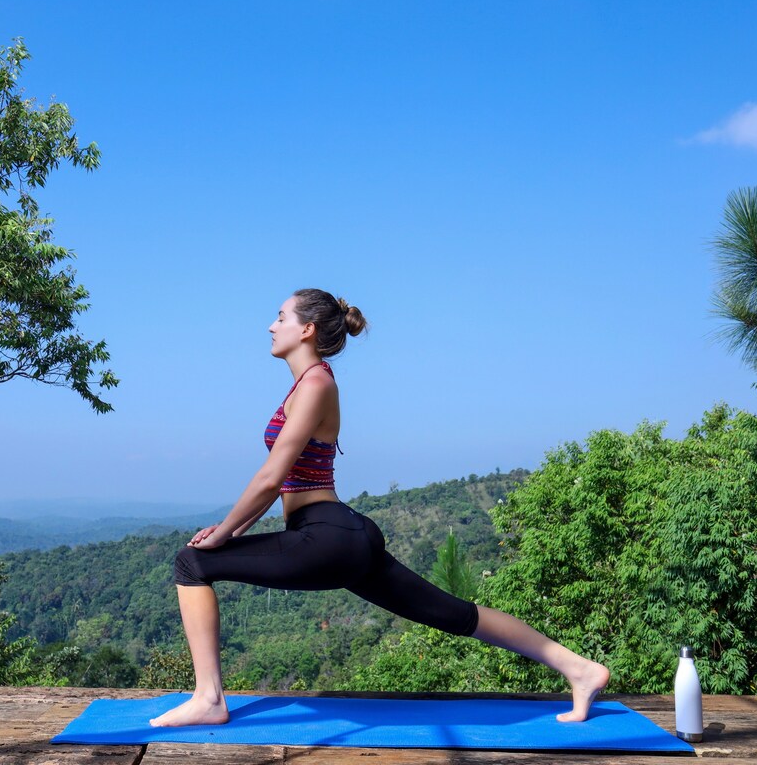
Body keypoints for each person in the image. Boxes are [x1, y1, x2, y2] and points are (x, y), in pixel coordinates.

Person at [149, 288, 610, 728]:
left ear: (307, 328)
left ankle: (209, 698)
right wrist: (233, 527)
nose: (271, 326)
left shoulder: (315, 384)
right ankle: (580, 669)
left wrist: (227, 531)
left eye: (281, 317)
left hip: (326, 536)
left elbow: (272, 478)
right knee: (454, 614)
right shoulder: (307, 385)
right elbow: (278, 482)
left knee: (192, 563)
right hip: (342, 534)